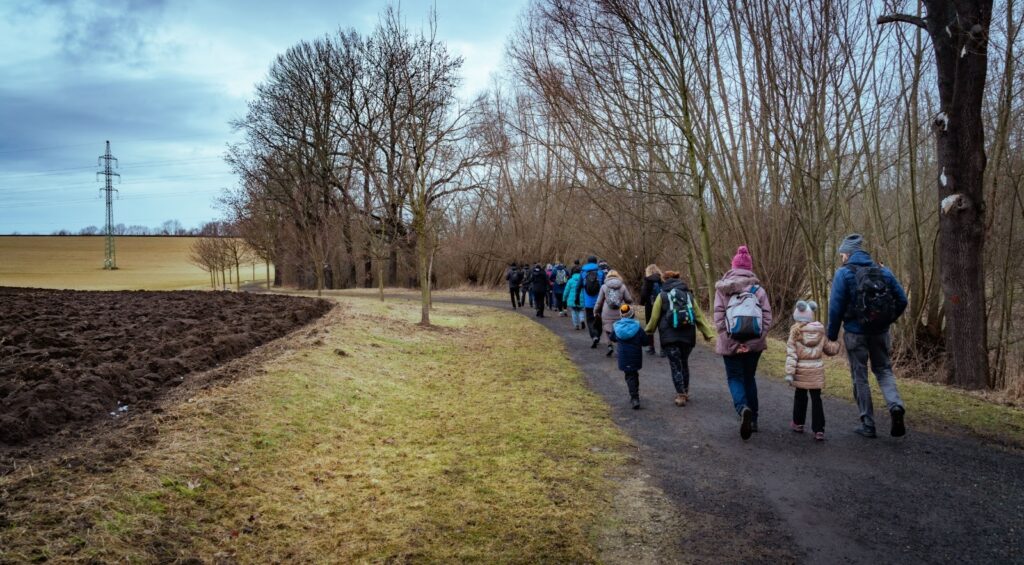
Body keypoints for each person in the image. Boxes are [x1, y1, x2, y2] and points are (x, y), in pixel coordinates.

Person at [827, 234, 908, 438]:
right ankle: (895, 406)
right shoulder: (883, 271)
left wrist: (832, 335)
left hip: (855, 334)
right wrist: (888, 320)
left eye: (842, 254)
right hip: (880, 333)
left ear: (847, 254)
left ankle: (868, 424)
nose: (842, 258)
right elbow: (902, 300)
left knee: (860, 376)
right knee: (884, 370)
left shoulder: (843, 273)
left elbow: (835, 308)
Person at [714, 245, 773, 440]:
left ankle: (742, 408)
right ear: (750, 268)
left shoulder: (723, 289)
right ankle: (753, 420)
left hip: (731, 341)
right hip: (754, 344)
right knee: (749, 378)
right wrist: (753, 343)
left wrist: (732, 343)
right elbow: (767, 318)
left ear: (733, 267)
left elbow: (719, 319)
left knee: (734, 378)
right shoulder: (758, 290)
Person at [644, 271, 715, 406]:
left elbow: (654, 317)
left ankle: (681, 395)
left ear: (664, 280)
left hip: (669, 337)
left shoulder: (662, 295)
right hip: (688, 336)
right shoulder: (688, 295)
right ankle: (685, 391)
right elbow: (698, 316)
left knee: (675, 365)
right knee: (684, 363)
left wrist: (648, 331)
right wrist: (707, 333)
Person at [785, 300, 841, 441]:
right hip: (816, 371)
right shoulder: (820, 331)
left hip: (801, 371)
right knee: (816, 399)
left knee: (800, 396)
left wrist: (790, 373)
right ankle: (819, 430)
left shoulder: (795, 332)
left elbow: (791, 354)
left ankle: (798, 423)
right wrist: (837, 344)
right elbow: (829, 349)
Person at [609, 304, 647, 409]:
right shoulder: (637, 327)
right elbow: (645, 341)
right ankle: (635, 394)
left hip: (624, 356)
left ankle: (634, 397)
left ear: (621, 315)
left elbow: (612, 337)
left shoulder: (617, 327)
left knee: (629, 376)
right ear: (632, 315)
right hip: (636, 355)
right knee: (634, 374)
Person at [595, 269, 635, 357]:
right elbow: (628, 299)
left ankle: (609, 345)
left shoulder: (604, 286)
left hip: (606, 312)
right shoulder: (622, 286)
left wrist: (596, 311)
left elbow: (599, 302)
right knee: (619, 329)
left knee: (607, 329)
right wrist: (630, 305)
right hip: (619, 312)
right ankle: (619, 347)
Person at [639, 264, 665, 355]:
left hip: (650, 306)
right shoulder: (662, 280)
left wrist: (642, 303)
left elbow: (643, 294)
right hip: (662, 306)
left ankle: (651, 347)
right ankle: (663, 349)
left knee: (650, 327)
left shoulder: (647, 281)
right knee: (662, 328)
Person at [580, 256, 606, 348]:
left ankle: (594, 335)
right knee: (599, 319)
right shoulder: (600, 272)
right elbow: (604, 286)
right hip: (599, 301)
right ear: (596, 262)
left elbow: (579, 286)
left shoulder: (583, 272)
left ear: (588, 262)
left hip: (588, 302)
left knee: (590, 320)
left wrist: (576, 298)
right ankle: (598, 335)